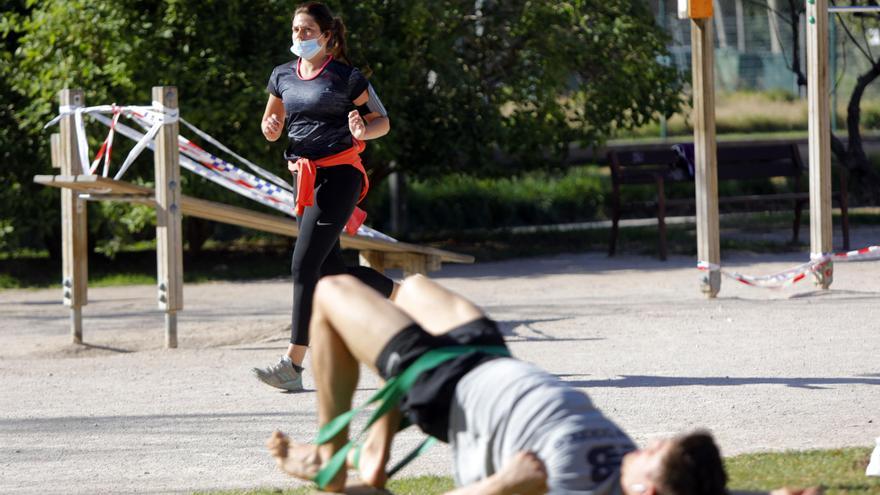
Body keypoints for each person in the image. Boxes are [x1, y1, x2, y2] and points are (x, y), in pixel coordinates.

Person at [265, 273, 733, 494]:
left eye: (654, 452)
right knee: (414, 288)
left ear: (648, 492)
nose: (648, 442)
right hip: (489, 354)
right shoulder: (649, 480)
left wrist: (504, 484)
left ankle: (330, 464)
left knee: (330, 292)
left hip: (445, 384)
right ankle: (375, 455)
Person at [252, 2, 395, 392]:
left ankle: (292, 364)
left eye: (307, 31)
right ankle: (404, 295)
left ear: (327, 35)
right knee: (330, 273)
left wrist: (364, 131)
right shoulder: (281, 75)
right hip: (304, 179)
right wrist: (270, 127)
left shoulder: (347, 77)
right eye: (296, 30)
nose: (300, 37)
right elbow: (273, 125)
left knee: (303, 266)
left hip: (340, 176)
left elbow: (381, 120)